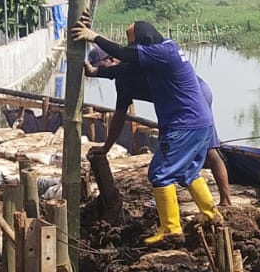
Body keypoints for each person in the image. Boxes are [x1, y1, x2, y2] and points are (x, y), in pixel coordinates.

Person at [73, 17, 222, 243]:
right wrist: (95, 73)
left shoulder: (160, 53)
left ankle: (171, 229)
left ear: (146, 40)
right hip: (200, 121)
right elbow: (123, 68)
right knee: (189, 171)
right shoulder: (166, 50)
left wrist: (93, 36)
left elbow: (125, 56)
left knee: (159, 174)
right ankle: (212, 216)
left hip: (183, 124)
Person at [87, 51, 232, 209]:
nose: (103, 74)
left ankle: (221, 201)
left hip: (191, 96)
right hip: (179, 103)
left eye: (102, 68)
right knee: (204, 149)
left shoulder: (135, 64)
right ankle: (175, 198)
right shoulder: (121, 82)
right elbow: (120, 116)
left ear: (112, 59)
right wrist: (106, 147)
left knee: (200, 151)